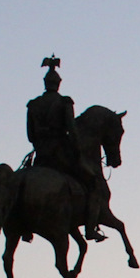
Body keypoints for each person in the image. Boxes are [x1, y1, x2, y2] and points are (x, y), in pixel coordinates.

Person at [26, 56, 104, 241]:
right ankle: (91, 228)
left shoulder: (34, 104)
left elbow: (30, 135)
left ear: (45, 83)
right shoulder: (64, 102)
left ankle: (25, 228)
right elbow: (72, 130)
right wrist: (76, 149)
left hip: (41, 156)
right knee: (93, 182)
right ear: (58, 84)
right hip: (59, 154)